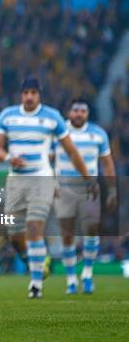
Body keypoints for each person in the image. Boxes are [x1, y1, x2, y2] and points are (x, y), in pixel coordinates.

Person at [0, 78, 92, 299]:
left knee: (34, 228)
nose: (29, 96)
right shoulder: (8, 116)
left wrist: (88, 178)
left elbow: (71, 151)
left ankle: (35, 285)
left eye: (33, 92)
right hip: (15, 182)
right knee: (15, 236)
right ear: (21, 94)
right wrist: (9, 157)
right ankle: (34, 262)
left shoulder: (52, 117)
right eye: (25, 92)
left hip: (42, 179)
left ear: (39, 94)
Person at [53, 98, 117, 294]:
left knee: (90, 230)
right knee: (67, 234)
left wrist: (112, 189)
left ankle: (87, 274)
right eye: (76, 110)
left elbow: (107, 164)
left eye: (83, 111)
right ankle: (71, 279)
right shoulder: (59, 132)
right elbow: (47, 157)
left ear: (87, 114)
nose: (79, 114)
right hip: (64, 189)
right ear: (69, 113)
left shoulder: (98, 134)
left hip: (89, 190)